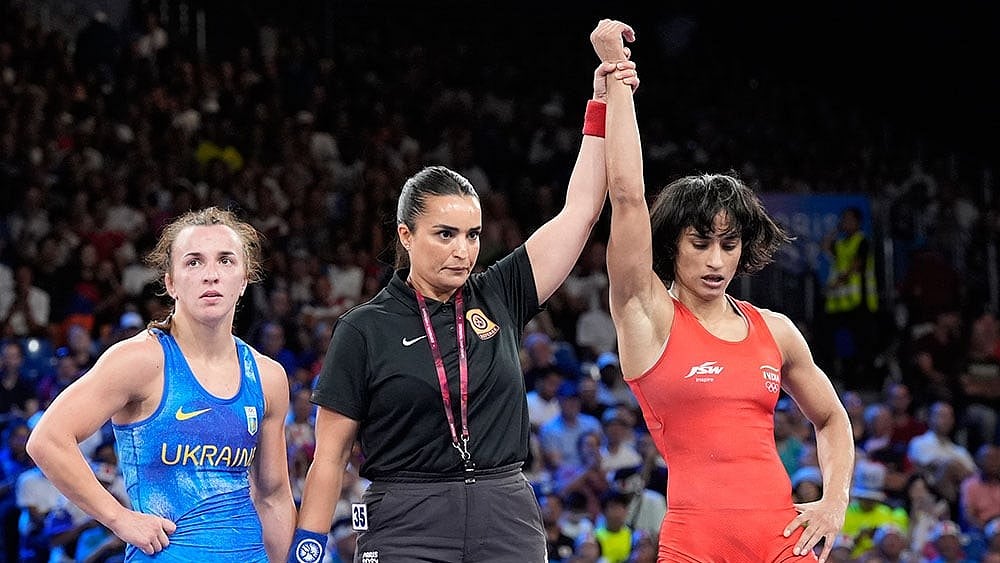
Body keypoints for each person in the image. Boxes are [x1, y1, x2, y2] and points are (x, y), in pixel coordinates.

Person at [288, 26, 641, 563]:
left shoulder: (500, 292)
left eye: (472, 235)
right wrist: (307, 549)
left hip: (506, 512)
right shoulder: (362, 329)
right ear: (406, 236)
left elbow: (581, 210)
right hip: (404, 521)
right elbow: (330, 458)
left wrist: (601, 100)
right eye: (445, 234)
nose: (462, 250)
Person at [596, 17, 855, 563]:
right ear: (671, 244)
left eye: (729, 245)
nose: (717, 262)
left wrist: (834, 503)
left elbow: (831, 418)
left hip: (784, 541)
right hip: (697, 544)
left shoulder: (776, 330)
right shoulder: (646, 313)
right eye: (700, 244)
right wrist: (617, 79)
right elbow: (625, 196)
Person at [26, 207, 296, 561]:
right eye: (194, 262)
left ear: (244, 279)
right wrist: (119, 518)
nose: (211, 275)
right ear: (170, 282)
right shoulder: (141, 361)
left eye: (226, 261)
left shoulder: (267, 376)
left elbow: (273, 495)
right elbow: (47, 440)